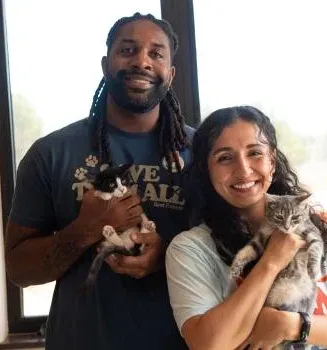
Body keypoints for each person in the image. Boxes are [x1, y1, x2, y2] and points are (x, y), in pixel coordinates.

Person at [5, 13, 194, 350]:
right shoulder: (50, 153)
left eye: (156, 54)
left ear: (171, 74)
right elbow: (18, 270)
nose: (141, 62)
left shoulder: (203, 155)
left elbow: (230, 255)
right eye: (128, 49)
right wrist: (86, 229)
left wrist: (167, 256)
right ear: (106, 64)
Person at [166, 106, 327, 350]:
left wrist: (291, 325)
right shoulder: (191, 249)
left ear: (272, 162)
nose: (243, 170)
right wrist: (271, 262)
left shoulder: (316, 229)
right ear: (205, 170)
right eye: (225, 158)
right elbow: (207, 345)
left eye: (255, 153)